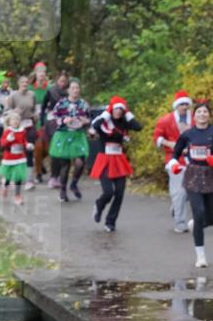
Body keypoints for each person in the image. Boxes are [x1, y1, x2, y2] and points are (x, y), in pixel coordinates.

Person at [169, 100, 213, 268]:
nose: (202, 114)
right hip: (193, 176)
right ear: (194, 116)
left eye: (205, 112)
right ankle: (200, 256)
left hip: (212, 176)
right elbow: (176, 153)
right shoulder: (188, 134)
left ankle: (197, 223)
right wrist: (173, 164)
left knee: (212, 218)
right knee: (199, 211)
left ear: (209, 115)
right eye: (199, 112)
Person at [89, 96, 141, 232]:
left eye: (121, 109)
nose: (118, 111)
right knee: (108, 192)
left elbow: (138, 127)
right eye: (116, 108)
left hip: (119, 160)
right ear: (111, 109)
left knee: (119, 193)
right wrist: (106, 113)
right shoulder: (104, 122)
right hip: (105, 160)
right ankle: (99, 204)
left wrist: (128, 114)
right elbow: (94, 125)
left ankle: (110, 221)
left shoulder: (124, 123)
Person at [153, 90, 194, 233]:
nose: (184, 107)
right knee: (179, 192)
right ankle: (180, 223)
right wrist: (172, 144)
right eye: (181, 104)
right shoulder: (166, 120)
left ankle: (177, 206)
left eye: (186, 104)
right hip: (174, 160)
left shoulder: (195, 119)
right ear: (176, 106)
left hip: (194, 160)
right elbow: (157, 138)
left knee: (193, 190)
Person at [47, 77, 90, 202]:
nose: (75, 90)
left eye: (77, 88)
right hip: (64, 135)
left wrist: (85, 121)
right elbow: (52, 118)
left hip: (78, 135)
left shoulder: (83, 104)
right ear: (68, 90)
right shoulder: (62, 103)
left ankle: (74, 184)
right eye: (73, 88)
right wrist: (62, 120)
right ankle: (63, 190)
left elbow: (89, 119)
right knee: (65, 164)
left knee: (79, 162)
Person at [3, 74, 39, 189]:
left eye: (26, 83)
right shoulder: (13, 96)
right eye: (22, 82)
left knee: (29, 151)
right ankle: (12, 177)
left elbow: (35, 109)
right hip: (16, 127)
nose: (25, 84)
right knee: (16, 152)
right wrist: (14, 111)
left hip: (29, 125)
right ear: (18, 84)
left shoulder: (32, 95)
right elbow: (6, 111)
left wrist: (35, 115)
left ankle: (29, 180)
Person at [0, 110, 33, 205]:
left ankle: (17, 196)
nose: (15, 122)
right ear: (9, 122)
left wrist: (28, 145)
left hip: (20, 157)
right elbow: (2, 144)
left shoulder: (22, 131)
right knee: (8, 177)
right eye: (13, 120)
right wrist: (8, 140)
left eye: (17, 120)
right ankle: (5, 187)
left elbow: (23, 141)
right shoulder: (7, 131)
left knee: (18, 177)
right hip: (9, 157)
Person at [42, 71, 69, 189]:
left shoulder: (69, 92)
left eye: (64, 81)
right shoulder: (51, 91)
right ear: (57, 80)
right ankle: (53, 176)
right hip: (53, 122)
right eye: (61, 81)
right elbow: (43, 106)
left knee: (63, 151)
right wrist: (43, 121)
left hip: (66, 123)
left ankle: (60, 177)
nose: (62, 83)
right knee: (55, 148)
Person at [30, 62, 51, 183]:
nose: (41, 74)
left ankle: (37, 161)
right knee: (38, 146)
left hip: (47, 119)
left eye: (43, 72)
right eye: (39, 71)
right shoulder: (30, 88)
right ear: (35, 73)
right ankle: (38, 172)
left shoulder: (49, 87)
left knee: (47, 148)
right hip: (34, 120)